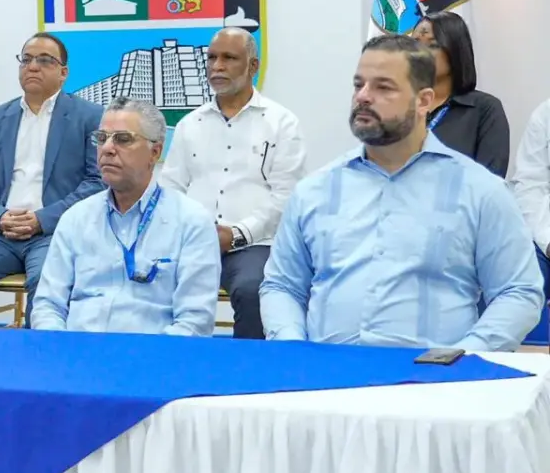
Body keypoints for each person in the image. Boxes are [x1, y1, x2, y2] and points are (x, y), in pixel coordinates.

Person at [260, 35, 542, 351]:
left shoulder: (480, 191)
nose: (363, 97)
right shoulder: (314, 191)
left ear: (424, 101)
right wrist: (293, 350)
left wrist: (463, 358)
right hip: (326, 372)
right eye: (358, 85)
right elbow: (282, 286)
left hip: (433, 376)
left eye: (383, 87)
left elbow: (518, 291)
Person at [160, 28, 306, 339]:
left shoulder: (281, 123)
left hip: (255, 245)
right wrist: (188, 232)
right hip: (193, 242)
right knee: (146, 281)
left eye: (229, 58)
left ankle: (248, 367)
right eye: (212, 58)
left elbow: (286, 197)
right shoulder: (189, 124)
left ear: (253, 66)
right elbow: (171, 188)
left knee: (253, 290)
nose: (217, 66)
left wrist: (237, 234)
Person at [30, 97, 219, 334]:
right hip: (79, 350)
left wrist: (147, 355)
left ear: (155, 152)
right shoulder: (76, 218)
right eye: (101, 138)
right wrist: (60, 345)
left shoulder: (191, 222)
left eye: (123, 139)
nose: (107, 149)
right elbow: (48, 305)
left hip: (153, 352)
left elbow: (194, 321)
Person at [0, 32, 103, 328]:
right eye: (26, 59)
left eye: (44, 60)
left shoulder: (90, 116)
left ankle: (35, 353)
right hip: (1, 234)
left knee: (47, 283)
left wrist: (42, 219)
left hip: (55, 234)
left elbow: (96, 183)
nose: (33, 66)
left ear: (63, 73)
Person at [411, 11, 510, 177]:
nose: (419, 53)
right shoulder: (399, 105)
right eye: (414, 44)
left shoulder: (484, 109)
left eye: (432, 45)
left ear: (455, 51)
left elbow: (490, 182)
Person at [509, 97, 550, 306]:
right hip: (546, 236)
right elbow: (530, 185)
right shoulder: (545, 114)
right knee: (517, 288)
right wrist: (547, 242)